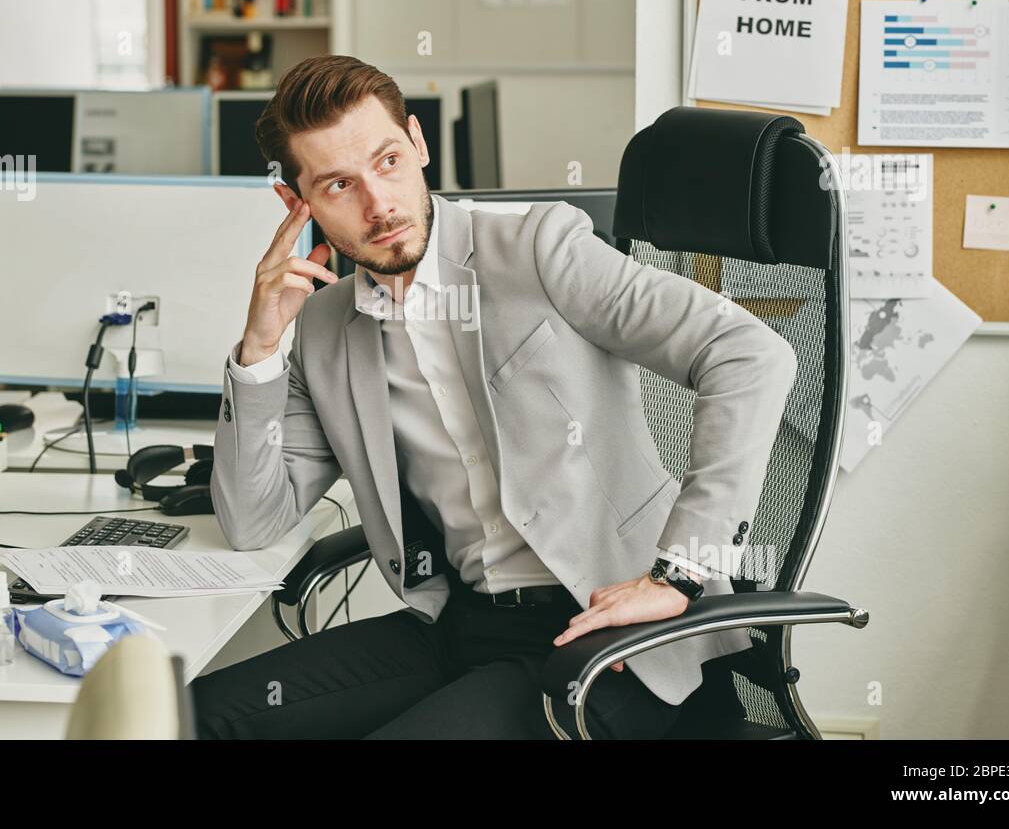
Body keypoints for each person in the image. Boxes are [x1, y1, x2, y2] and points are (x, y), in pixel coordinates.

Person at [192, 55, 797, 739]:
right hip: (460, 626)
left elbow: (749, 354)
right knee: (189, 716)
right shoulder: (326, 327)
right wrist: (259, 348)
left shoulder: (538, 247)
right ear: (296, 202)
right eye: (339, 184)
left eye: (388, 161)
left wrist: (679, 574)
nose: (378, 205)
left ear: (418, 144)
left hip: (615, 638)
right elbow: (254, 522)